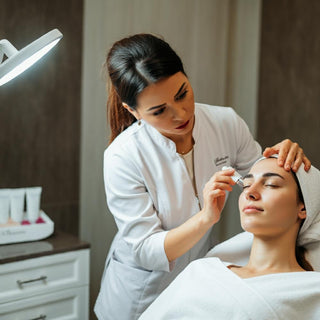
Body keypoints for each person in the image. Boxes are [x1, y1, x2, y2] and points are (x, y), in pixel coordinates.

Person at [94, 33, 311, 320]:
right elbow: (146, 250)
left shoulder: (225, 122)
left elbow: (258, 173)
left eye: (182, 93)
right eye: (159, 111)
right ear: (133, 112)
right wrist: (206, 217)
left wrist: (282, 158)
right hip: (139, 296)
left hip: (196, 288)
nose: (181, 113)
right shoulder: (123, 156)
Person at [140, 156, 320, 319]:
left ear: (304, 208)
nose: (251, 193)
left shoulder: (310, 289)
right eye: (247, 185)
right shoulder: (203, 271)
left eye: (271, 184)